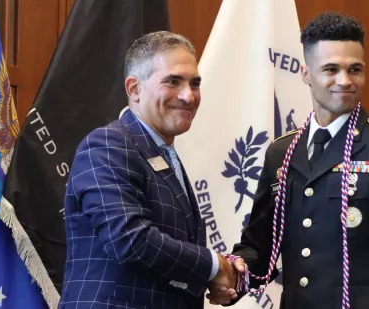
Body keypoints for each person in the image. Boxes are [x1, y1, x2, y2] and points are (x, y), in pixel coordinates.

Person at [208, 12, 369, 309]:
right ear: (306, 73)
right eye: (331, 69)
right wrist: (232, 276)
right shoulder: (282, 152)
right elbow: (259, 245)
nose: (345, 81)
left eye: (354, 69)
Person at [59, 31, 237, 309]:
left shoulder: (162, 153)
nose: (188, 95)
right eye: (173, 81)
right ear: (134, 89)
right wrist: (214, 267)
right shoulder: (107, 145)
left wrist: (206, 280)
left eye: (195, 83)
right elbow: (131, 240)